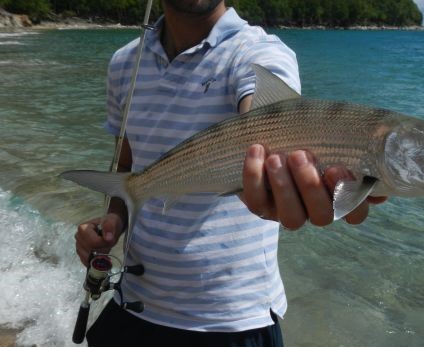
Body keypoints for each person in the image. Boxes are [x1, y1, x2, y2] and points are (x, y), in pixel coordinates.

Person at [76, 1, 385, 346]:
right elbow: (128, 163)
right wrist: (114, 219)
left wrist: (289, 172)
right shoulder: (124, 64)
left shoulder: (257, 51)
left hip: (231, 322)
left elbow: (272, 118)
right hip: (132, 304)